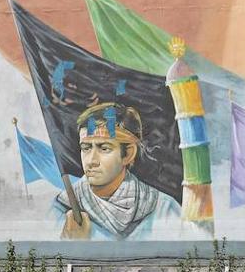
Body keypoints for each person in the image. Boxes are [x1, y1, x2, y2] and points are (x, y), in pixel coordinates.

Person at [54, 101, 181, 240]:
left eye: (104, 148)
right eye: (86, 148)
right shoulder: (61, 208)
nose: (91, 161)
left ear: (128, 154)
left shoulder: (164, 209)